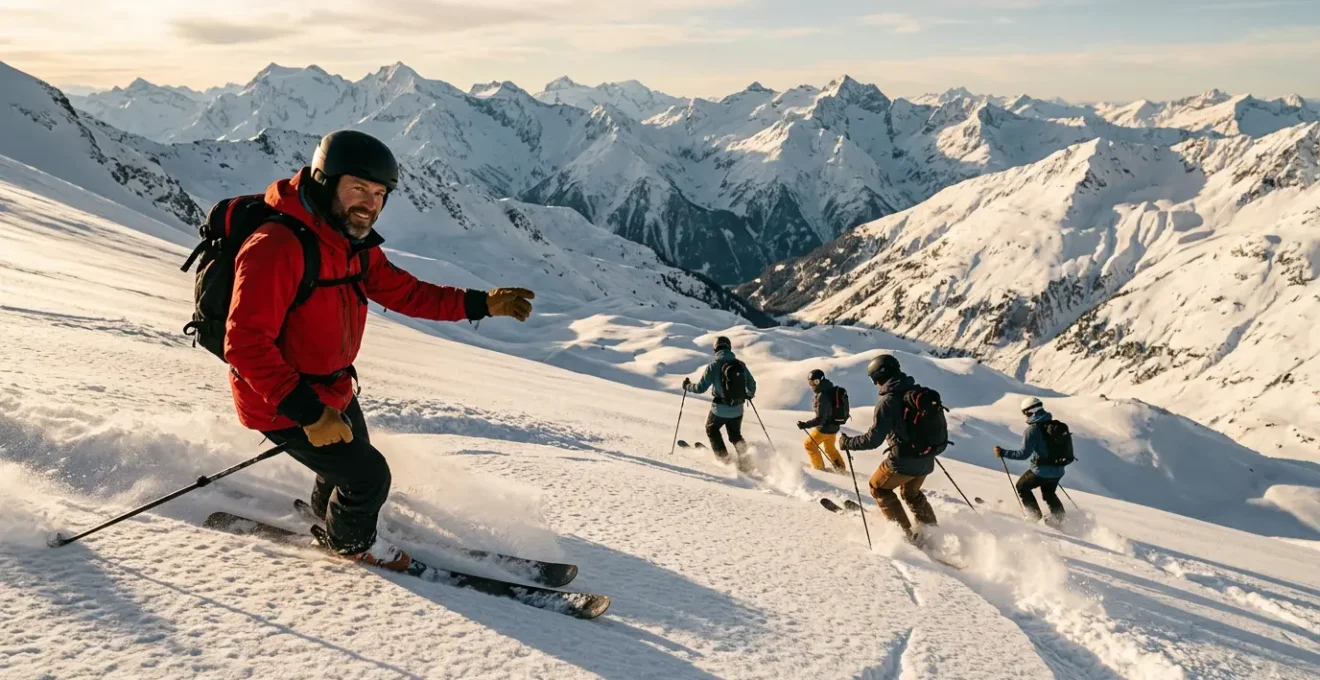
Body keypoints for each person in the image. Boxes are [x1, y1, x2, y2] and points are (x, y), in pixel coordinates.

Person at [224, 129, 535, 570]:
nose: (370, 204)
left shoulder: (350, 244)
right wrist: (309, 413)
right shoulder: (278, 247)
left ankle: (328, 515)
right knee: (369, 477)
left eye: (379, 193)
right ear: (323, 180)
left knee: (350, 466)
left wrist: (480, 303)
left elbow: (407, 292)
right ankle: (350, 545)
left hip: (332, 390)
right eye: (357, 188)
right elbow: (244, 342)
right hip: (279, 399)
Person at [840, 354, 938, 542]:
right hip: (927, 458)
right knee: (911, 494)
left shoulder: (888, 402)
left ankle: (905, 535)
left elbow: (873, 440)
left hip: (903, 461)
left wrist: (847, 443)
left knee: (878, 487)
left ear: (878, 377)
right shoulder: (918, 393)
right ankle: (933, 532)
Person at [995, 397, 1067, 526]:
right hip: (1059, 470)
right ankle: (1059, 519)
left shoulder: (1032, 430)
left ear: (1029, 412)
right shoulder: (1057, 426)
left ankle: (1035, 518)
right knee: (1049, 493)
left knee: (1022, 486)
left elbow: (1023, 454)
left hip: (1041, 471)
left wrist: (1003, 453)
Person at [683, 336, 757, 462]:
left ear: (715, 349)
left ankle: (723, 458)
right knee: (735, 435)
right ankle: (746, 462)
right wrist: (748, 395)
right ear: (729, 348)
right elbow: (752, 385)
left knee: (712, 429)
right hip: (738, 409)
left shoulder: (713, 366)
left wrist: (687, 386)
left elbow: (700, 388)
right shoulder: (740, 365)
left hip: (719, 409)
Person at [796, 369, 847, 472]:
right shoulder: (831, 389)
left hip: (824, 429)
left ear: (822, 380)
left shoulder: (822, 395)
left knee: (809, 445)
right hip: (834, 427)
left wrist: (805, 425)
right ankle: (841, 468)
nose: (813, 385)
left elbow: (820, 419)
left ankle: (818, 469)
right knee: (829, 448)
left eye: (816, 382)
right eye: (811, 383)